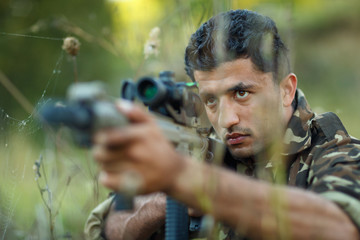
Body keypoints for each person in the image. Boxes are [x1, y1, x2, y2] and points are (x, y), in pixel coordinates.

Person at [85, 9, 360, 240]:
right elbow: (104, 228)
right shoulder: (203, 154)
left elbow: (343, 228)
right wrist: (165, 201)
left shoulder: (337, 155)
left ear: (286, 90)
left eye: (241, 93)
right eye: (211, 100)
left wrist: (194, 183)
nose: (227, 120)